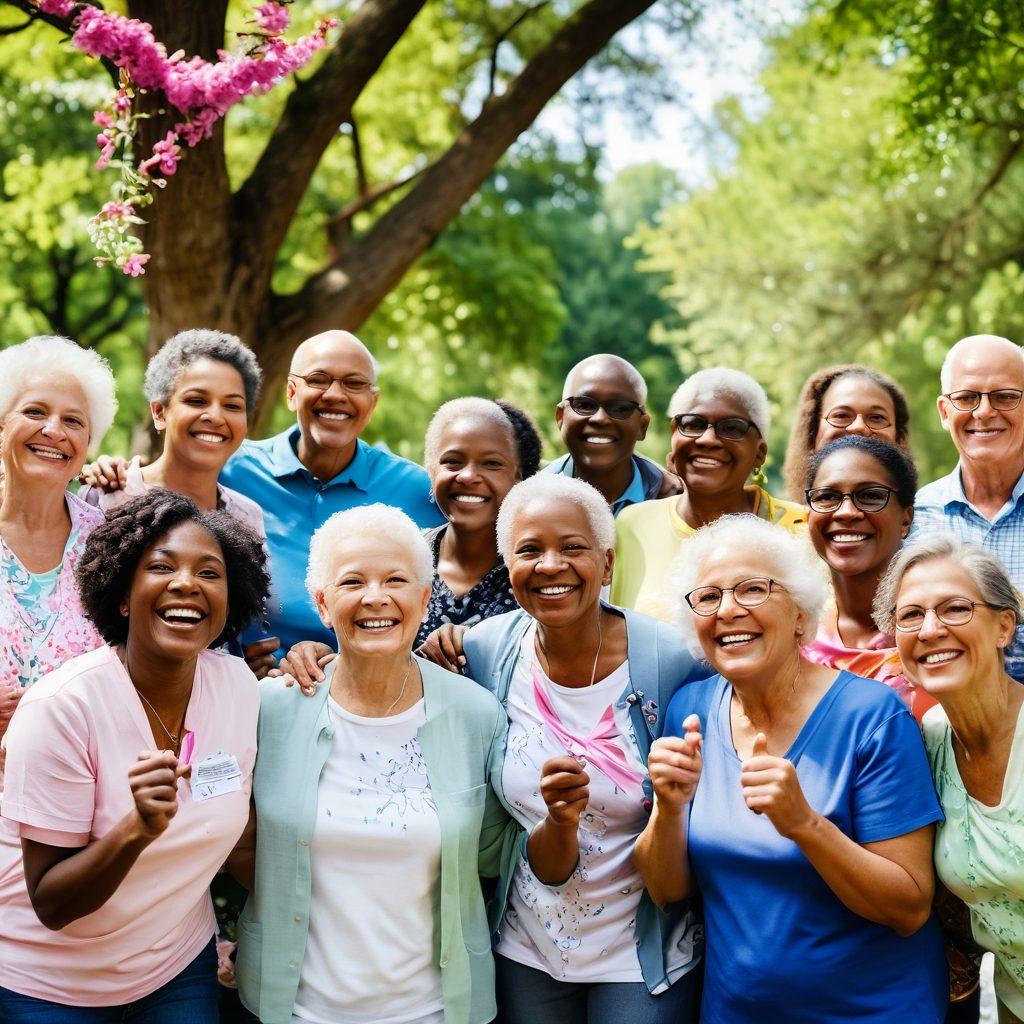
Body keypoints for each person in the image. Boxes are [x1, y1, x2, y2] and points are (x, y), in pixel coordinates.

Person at [234, 505, 581, 1024]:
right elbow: (239, 843)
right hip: (294, 1008)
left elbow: (491, 859)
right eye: (353, 582)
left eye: (396, 580)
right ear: (323, 605)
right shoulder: (272, 709)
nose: (376, 597)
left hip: (436, 1010)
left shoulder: (474, 713)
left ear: (423, 600)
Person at [635, 514, 948, 1024]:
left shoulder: (870, 716)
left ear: (801, 614)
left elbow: (909, 907)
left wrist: (804, 824)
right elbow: (667, 891)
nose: (729, 610)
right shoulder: (689, 709)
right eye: (708, 597)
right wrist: (667, 809)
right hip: (736, 1011)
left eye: (753, 589)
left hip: (874, 1010)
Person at [422, 474, 706, 1024]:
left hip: (643, 950)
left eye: (573, 548)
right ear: (508, 566)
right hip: (526, 946)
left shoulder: (673, 660)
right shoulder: (483, 652)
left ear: (608, 563)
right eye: (529, 551)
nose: (551, 565)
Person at [0, 490, 268, 1020]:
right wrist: (137, 829)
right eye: (161, 567)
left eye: (209, 573)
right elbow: (52, 903)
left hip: (173, 967)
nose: (187, 583)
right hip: (46, 977)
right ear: (122, 594)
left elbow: (244, 843)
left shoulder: (239, 688)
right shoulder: (61, 708)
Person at [219, 330, 443, 672]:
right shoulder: (232, 469)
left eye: (353, 384)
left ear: (372, 401)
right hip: (254, 692)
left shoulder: (417, 489)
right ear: (292, 393)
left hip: (377, 693)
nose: (335, 395)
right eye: (319, 380)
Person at [876, 535, 1024, 1024]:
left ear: (1004, 626)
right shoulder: (928, 740)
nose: (930, 630)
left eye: (955, 609)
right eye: (910, 615)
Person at [611, 367, 806, 624]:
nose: (708, 439)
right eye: (693, 424)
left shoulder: (800, 530)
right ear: (674, 437)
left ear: (760, 453)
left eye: (732, 428)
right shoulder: (630, 524)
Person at [0, 335, 116, 735]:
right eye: (35, 411)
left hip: (78, 780)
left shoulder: (109, 545)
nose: (53, 430)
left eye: (73, 420)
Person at [78, 328, 265, 535]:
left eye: (232, 406)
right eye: (196, 401)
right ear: (159, 413)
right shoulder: (105, 496)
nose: (216, 417)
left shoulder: (247, 517)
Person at [913, 334, 1024, 679]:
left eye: (1006, 396)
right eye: (967, 397)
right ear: (945, 412)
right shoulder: (912, 520)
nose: (985, 411)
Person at [802, 435, 935, 719]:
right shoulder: (793, 630)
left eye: (871, 496)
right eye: (827, 497)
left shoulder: (942, 625)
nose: (847, 512)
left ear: (906, 519)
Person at [545, 354, 678, 514]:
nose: (600, 419)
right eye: (585, 405)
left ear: (642, 427)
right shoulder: (530, 495)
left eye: (620, 408)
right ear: (560, 417)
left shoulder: (673, 503)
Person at [784, 365, 910, 501]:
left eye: (877, 417)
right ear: (813, 431)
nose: (859, 427)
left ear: (898, 437)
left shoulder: (925, 518)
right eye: (841, 415)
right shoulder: (780, 519)